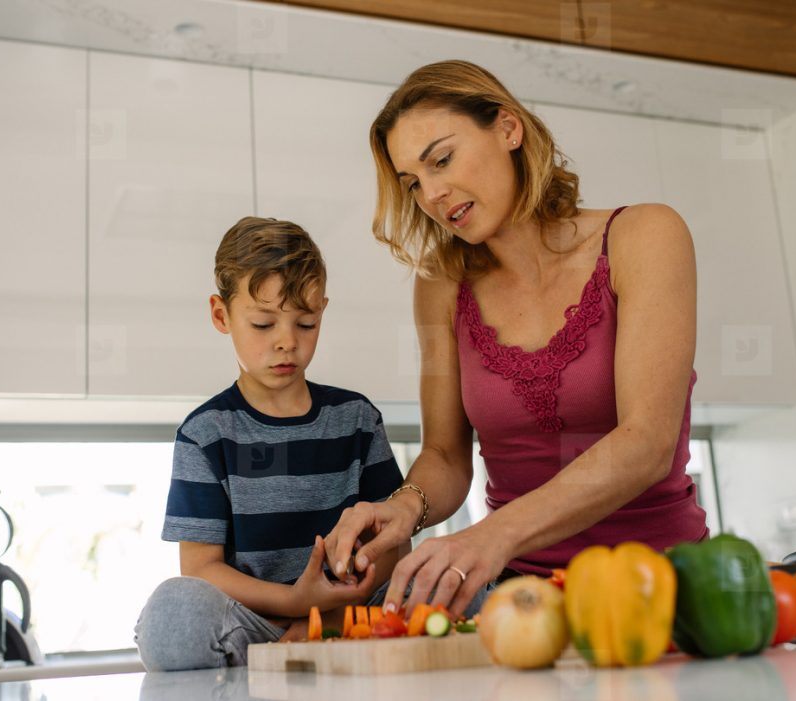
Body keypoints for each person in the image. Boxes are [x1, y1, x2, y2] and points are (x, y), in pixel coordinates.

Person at [324, 60, 709, 618]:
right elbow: (445, 457)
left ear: (508, 128)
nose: (431, 193)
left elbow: (647, 444)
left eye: (442, 159)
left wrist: (487, 537)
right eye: (413, 183)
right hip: (521, 601)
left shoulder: (644, 236)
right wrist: (405, 507)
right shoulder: (440, 286)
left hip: (664, 590)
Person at [134, 217, 407, 671]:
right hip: (257, 630)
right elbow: (201, 570)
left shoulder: (357, 419)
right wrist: (296, 603)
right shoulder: (204, 435)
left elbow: (395, 547)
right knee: (173, 612)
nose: (287, 343)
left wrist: (325, 619)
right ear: (221, 316)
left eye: (306, 323)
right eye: (263, 324)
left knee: (454, 581)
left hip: (348, 621)